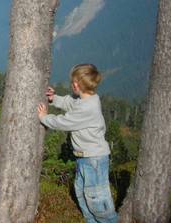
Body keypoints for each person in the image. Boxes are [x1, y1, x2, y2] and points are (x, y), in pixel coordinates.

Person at [37, 63, 118, 223]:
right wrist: (55, 99)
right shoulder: (87, 100)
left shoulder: (88, 108)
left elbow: (64, 122)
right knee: (82, 193)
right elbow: (72, 103)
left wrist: (44, 118)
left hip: (93, 160)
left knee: (97, 199)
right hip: (85, 159)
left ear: (75, 85)